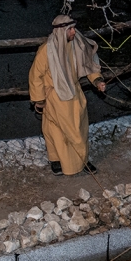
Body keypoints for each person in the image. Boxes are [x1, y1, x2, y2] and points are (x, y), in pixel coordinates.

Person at [28, 15, 106, 176]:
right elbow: (36, 75)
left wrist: (97, 80)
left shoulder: (78, 44)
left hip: (75, 94)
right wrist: (39, 100)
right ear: (61, 31)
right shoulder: (46, 51)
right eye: (70, 29)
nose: (73, 31)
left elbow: (88, 63)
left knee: (79, 129)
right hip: (55, 97)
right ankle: (58, 160)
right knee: (57, 131)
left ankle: (81, 159)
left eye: (73, 27)